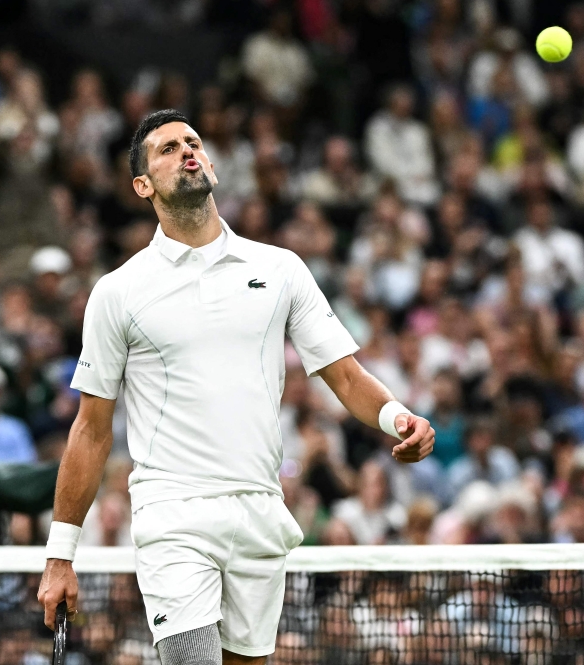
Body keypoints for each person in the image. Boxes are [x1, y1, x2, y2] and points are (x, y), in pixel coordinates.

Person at [37, 110, 435, 665]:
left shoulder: (281, 269)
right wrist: (61, 556)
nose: (187, 152)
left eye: (193, 142)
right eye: (168, 149)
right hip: (173, 512)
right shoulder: (118, 292)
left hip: (259, 509)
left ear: (213, 165)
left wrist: (399, 418)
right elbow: (91, 428)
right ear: (142, 185)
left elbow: (344, 376)